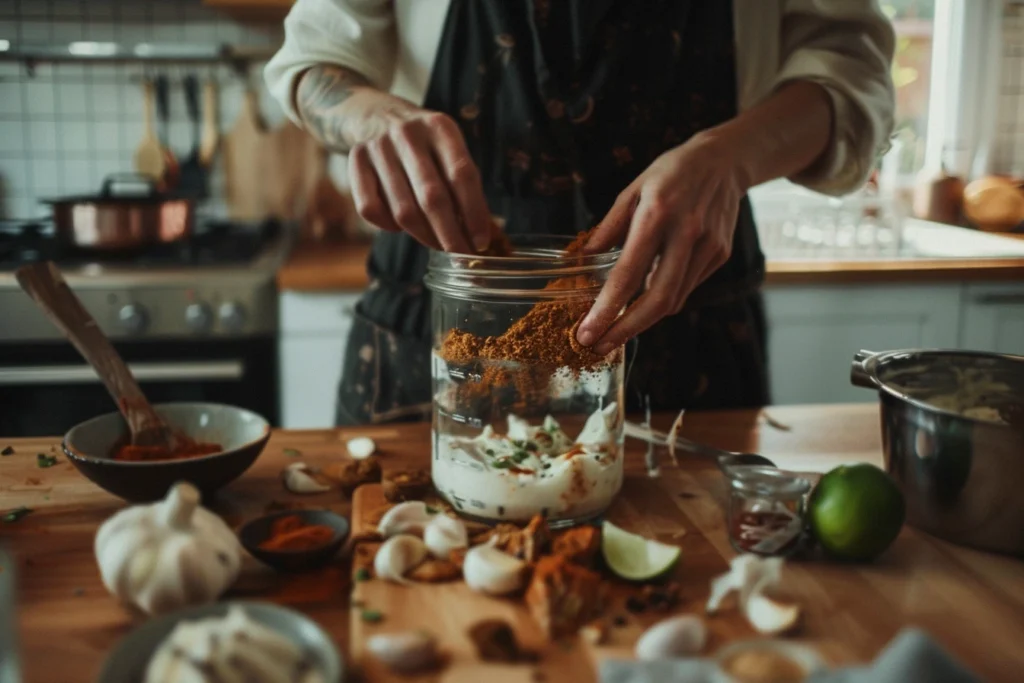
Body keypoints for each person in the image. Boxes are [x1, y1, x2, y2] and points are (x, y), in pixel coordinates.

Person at [265, 0, 896, 426]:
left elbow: (853, 74)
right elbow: (309, 60)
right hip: (435, 315)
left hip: (680, 313)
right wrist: (369, 116)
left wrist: (730, 158)